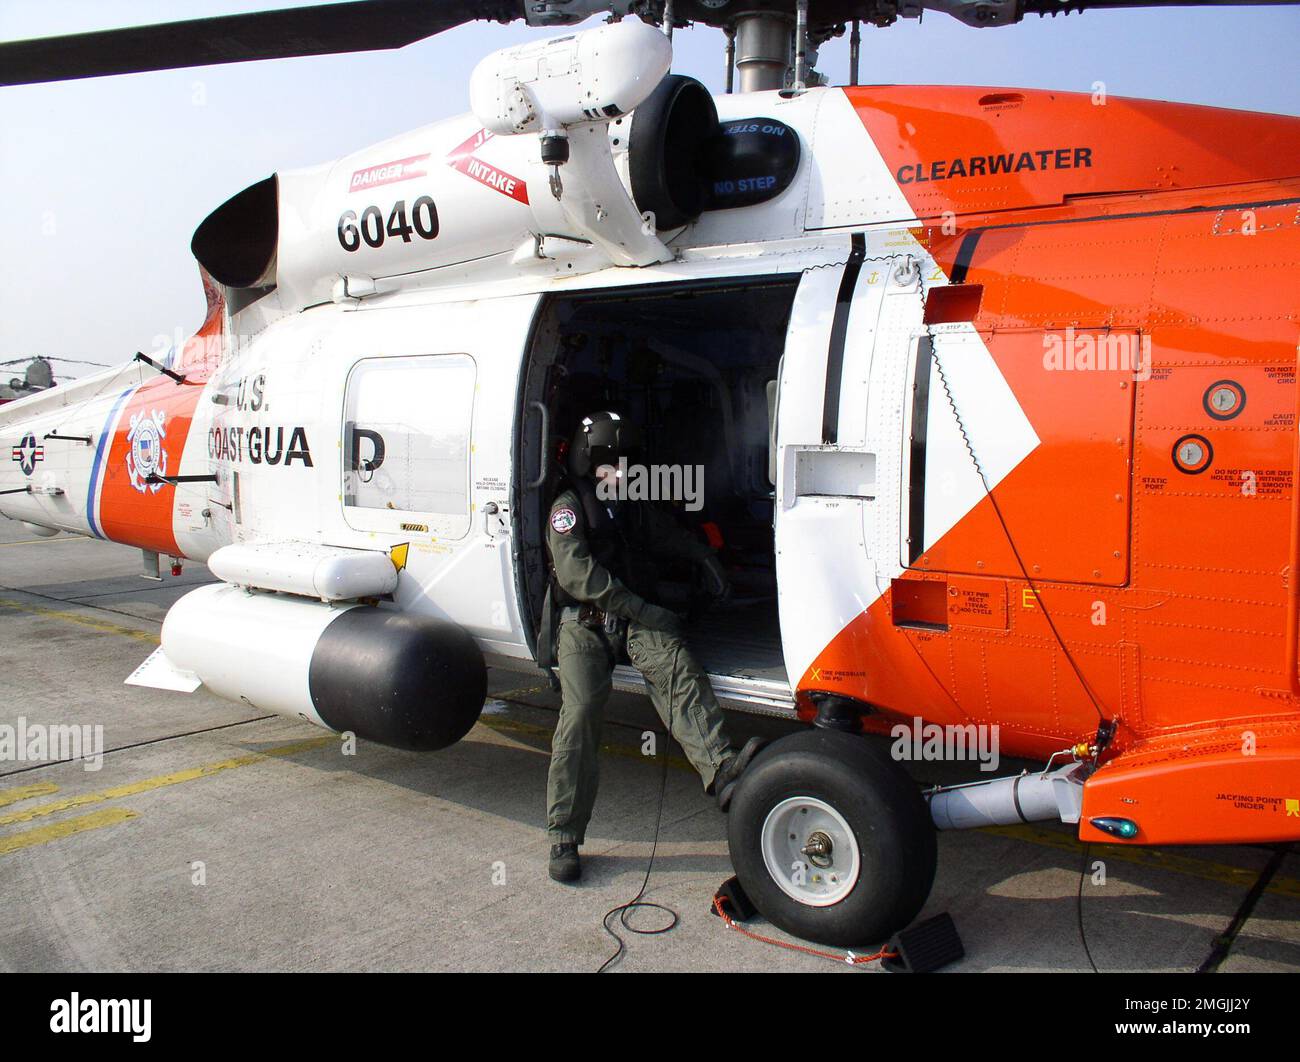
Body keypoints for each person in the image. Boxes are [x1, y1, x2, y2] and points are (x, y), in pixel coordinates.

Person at [538, 410, 764, 883]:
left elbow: (664, 534)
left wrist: (705, 559)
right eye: (609, 465)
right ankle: (564, 835)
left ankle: (721, 770)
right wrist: (643, 610)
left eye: (623, 464)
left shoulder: (629, 506)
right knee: (579, 712)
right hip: (583, 623)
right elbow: (580, 577)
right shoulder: (568, 508)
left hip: (633, 618)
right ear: (587, 464)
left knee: (675, 666)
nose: (618, 473)